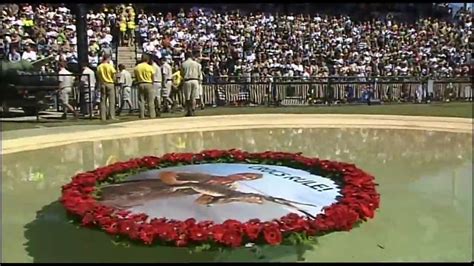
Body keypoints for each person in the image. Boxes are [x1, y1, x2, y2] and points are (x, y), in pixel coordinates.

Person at [134, 54, 156, 119]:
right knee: (150, 101)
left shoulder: (137, 67)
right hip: (148, 83)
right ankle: (152, 114)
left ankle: (142, 115)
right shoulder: (150, 67)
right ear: (147, 59)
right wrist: (152, 82)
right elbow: (153, 76)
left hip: (140, 83)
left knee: (141, 100)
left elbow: (135, 76)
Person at [180, 51, 202, 116]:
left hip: (187, 80)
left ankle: (189, 111)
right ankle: (193, 109)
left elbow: (182, 73)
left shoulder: (183, 64)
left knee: (187, 97)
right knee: (194, 97)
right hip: (195, 80)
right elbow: (199, 73)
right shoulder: (197, 64)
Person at [96, 54, 117, 121]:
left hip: (102, 83)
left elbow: (98, 75)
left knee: (103, 101)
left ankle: (103, 116)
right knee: (111, 101)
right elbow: (114, 75)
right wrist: (114, 80)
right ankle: (111, 116)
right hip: (110, 83)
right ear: (108, 58)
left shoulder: (99, 67)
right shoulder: (110, 66)